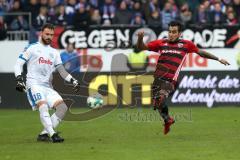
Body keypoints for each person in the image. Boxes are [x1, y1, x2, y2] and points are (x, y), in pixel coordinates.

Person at [136, 21, 230, 135]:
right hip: (158, 79)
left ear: (180, 33)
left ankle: (166, 115)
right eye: (170, 31)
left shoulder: (186, 45)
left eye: (174, 32)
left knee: (160, 98)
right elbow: (141, 47)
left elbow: (201, 52)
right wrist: (140, 39)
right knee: (158, 104)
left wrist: (218, 59)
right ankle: (167, 120)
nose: (171, 34)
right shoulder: (161, 43)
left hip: (171, 80)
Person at [14, 23, 80, 143]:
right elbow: (18, 64)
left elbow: (61, 71)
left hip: (47, 86)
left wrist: (73, 80)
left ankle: (44, 134)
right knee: (43, 106)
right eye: (47, 34)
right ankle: (53, 135)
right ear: (41, 34)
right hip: (33, 84)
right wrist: (19, 79)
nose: (49, 37)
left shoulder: (54, 52)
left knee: (62, 108)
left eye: (51, 35)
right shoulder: (32, 47)